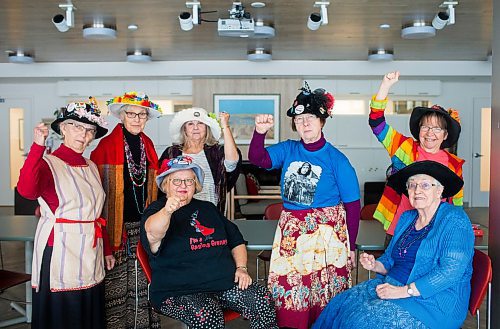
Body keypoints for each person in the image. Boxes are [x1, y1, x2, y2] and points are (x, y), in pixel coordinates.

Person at [248, 83, 361, 329]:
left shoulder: (337, 160)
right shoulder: (288, 149)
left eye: (310, 117)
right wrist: (259, 132)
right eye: (299, 119)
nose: (304, 123)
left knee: (324, 289)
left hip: (327, 234)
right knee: (290, 286)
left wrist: (351, 245)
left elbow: (353, 206)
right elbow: (258, 158)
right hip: (292, 230)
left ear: (322, 121)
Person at [312, 160, 474, 329]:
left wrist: (404, 291)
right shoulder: (407, 218)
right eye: (412, 185)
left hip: (431, 303)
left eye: (425, 185)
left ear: (439, 191)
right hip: (392, 285)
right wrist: (376, 265)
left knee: (360, 322)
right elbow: (390, 259)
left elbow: (450, 272)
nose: (417, 190)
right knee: (340, 305)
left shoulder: (454, 220)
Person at [140, 155, 278, 329]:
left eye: (189, 181)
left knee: (261, 299)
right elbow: (153, 233)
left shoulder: (208, 209)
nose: (183, 185)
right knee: (207, 313)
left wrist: (241, 268)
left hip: (223, 284)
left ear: (195, 185)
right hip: (178, 291)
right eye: (177, 181)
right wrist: (167, 211)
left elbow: (236, 240)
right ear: (165, 185)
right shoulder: (155, 211)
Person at [17, 99, 113, 329]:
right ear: (63, 129)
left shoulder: (90, 166)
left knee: (89, 305)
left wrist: (107, 248)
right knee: (64, 310)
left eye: (89, 130)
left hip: (91, 247)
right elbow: (26, 190)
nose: (84, 135)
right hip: (60, 249)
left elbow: (95, 213)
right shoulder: (48, 163)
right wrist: (37, 147)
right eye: (77, 127)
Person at [90, 92, 161, 329]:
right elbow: (95, 193)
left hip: (142, 226)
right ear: (122, 116)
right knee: (116, 286)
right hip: (114, 229)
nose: (137, 118)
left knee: (144, 284)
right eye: (131, 113)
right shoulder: (105, 146)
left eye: (142, 114)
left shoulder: (148, 145)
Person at [369, 71, 464, 245]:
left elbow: (456, 206)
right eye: (425, 126)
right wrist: (385, 86)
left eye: (437, 129)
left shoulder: (454, 164)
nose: (430, 133)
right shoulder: (403, 147)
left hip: (434, 235)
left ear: (445, 135)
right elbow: (377, 123)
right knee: (393, 271)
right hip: (399, 230)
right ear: (419, 130)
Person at [159, 107, 241, 214]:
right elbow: (162, 185)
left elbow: (232, 164)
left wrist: (225, 126)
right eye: (190, 124)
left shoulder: (217, 152)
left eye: (200, 123)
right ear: (184, 129)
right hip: (178, 214)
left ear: (207, 128)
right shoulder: (171, 152)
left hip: (211, 213)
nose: (196, 128)